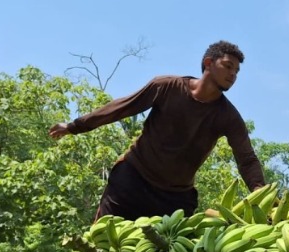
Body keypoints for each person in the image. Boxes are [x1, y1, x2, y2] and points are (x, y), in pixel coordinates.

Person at [49, 40, 266, 221]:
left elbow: (246, 159)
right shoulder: (167, 87)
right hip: (133, 180)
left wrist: (261, 192)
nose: (233, 74)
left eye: (237, 71)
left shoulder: (228, 117)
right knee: (102, 242)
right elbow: (121, 108)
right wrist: (74, 126)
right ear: (208, 63)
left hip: (174, 197)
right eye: (228, 66)